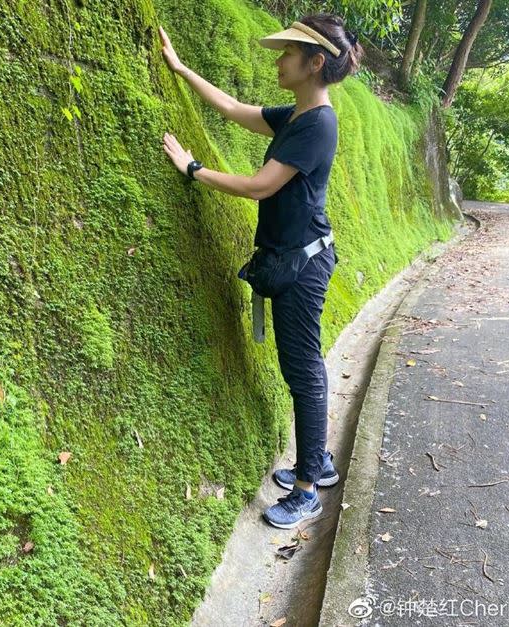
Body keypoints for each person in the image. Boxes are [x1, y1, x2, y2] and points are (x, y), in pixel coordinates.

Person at [160, 14, 364, 528]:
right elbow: (232, 108)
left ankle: (307, 488)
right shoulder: (297, 116)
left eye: (287, 54)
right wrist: (181, 68)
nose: (278, 61)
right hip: (294, 256)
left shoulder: (317, 123)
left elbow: (259, 186)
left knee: (303, 373)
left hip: (303, 265)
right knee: (303, 369)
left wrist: (192, 169)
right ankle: (317, 464)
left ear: (315, 63)